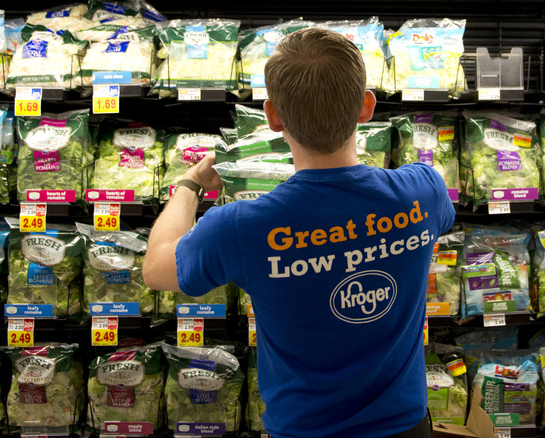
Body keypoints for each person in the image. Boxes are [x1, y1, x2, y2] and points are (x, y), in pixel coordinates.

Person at [143, 27, 455, 438]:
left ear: (273, 116)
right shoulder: (424, 191)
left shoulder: (241, 226)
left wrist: (189, 186)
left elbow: (156, 268)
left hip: (303, 429)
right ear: (365, 108)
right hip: (405, 426)